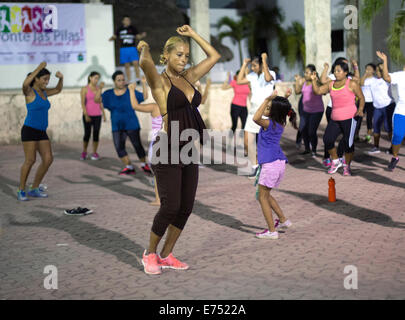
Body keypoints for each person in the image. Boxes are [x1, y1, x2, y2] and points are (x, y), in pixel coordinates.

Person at [138, 24, 221, 275]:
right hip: (166, 147)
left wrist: (193, 35)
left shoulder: (189, 77)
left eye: (186, 55)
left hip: (187, 149)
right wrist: (144, 47)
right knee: (170, 206)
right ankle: (149, 254)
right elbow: (144, 63)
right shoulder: (160, 83)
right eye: (179, 55)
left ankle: (166, 255)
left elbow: (215, 56)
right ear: (166, 55)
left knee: (185, 207)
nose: (184, 60)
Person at [252, 89, 295, 239]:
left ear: (274, 112)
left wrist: (266, 99)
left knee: (262, 197)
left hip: (270, 164)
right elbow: (281, 107)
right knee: (265, 194)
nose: (266, 109)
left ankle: (272, 231)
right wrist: (285, 98)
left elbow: (255, 117)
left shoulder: (268, 123)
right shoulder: (280, 122)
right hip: (278, 162)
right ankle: (283, 220)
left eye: (269, 108)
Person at [18, 62, 63, 201]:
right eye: (44, 79)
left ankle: (34, 188)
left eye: (48, 79)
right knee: (30, 160)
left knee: (48, 159)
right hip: (29, 130)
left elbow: (57, 90)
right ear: (36, 79)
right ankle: (21, 190)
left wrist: (61, 79)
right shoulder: (29, 92)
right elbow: (25, 84)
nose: (47, 82)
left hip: (41, 131)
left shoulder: (44, 93)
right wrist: (38, 68)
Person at [312, 61, 365, 176]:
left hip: (350, 118)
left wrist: (360, 109)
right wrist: (313, 80)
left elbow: (361, 97)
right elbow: (318, 91)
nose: (336, 73)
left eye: (339, 71)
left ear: (345, 72)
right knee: (327, 139)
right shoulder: (331, 84)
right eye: (335, 71)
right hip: (335, 118)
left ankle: (347, 166)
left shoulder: (352, 84)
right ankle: (336, 161)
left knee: (348, 143)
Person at [101, 71, 151, 175]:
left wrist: (144, 83)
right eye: (119, 80)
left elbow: (144, 97)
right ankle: (129, 167)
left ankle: (144, 165)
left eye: (123, 79)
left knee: (137, 146)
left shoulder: (130, 91)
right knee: (119, 148)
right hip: (117, 126)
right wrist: (99, 89)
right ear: (114, 81)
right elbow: (98, 100)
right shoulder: (108, 94)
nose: (122, 82)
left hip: (132, 124)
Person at [237, 54, 276, 177]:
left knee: (264, 144)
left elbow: (268, 78)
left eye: (254, 65)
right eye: (252, 66)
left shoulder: (271, 73)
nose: (252, 68)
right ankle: (255, 166)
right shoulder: (252, 76)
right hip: (253, 112)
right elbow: (239, 81)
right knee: (247, 141)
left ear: (261, 65)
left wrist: (264, 60)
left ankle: (266, 167)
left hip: (266, 113)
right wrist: (244, 64)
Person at [127, 82, 162, 206]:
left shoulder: (155, 107)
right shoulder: (174, 107)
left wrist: (131, 90)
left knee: (158, 172)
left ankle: (158, 199)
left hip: (158, 143)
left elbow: (135, 106)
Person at [376, 51, 405, 171]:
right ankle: (395, 157)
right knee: (398, 135)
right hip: (401, 111)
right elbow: (386, 77)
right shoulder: (400, 75)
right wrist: (385, 61)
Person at [294, 65, 324, 157]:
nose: (305, 74)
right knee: (303, 129)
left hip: (316, 111)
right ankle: (307, 149)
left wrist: (314, 80)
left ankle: (314, 150)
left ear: (313, 73)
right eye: (305, 72)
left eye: (307, 73)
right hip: (305, 110)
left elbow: (319, 90)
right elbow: (297, 91)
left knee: (311, 131)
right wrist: (297, 82)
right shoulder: (304, 82)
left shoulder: (317, 82)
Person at [365, 63, 395, 154]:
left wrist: (383, 67)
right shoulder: (372, 81)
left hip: (388, 106)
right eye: (377, 70)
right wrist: (365, 74)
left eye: (380, 70)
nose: (378, 72)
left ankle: (393, 147)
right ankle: (376, 147)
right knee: (376, 127)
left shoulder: (388, 79)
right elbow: (361, 83)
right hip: (377, 107)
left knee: (388, 127)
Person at [109, 16, 146, 82]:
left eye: (128, 20)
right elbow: (115, 36)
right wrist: (110, 38)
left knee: (135, 63)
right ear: (123, 21)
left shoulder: (133, 28)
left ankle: (138, 78)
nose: (127, 21)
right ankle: (128, 80)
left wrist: (142, 35)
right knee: (126, 65)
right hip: (123, 49)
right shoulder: (120, 29)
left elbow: (138, 37)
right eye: (126, 20)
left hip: (132, 48)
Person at [80, 71, 106, 161]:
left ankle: (94, 152)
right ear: (90, 78)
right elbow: (83, 103)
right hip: (88, 115)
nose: (96, 80)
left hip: (97, 115)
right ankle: (84, 152)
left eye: (98, 78)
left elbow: (100, 102)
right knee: (87, 134)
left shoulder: (99, 88)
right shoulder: (84, 89)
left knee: (96, 134)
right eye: (95, 78)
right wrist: (86, 114)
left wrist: (104, 114)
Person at [360, 63, 377, 143]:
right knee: (359, 118)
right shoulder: (364, 78)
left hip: (371, 102)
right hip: (363, 101)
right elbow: (361, 83)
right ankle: (356, 134)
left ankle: (368, 135)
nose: (367, 70)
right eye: (366, 68)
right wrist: (365, 75)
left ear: (373, 71)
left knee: (369, 119)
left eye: (369, 69)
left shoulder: (375, 80)